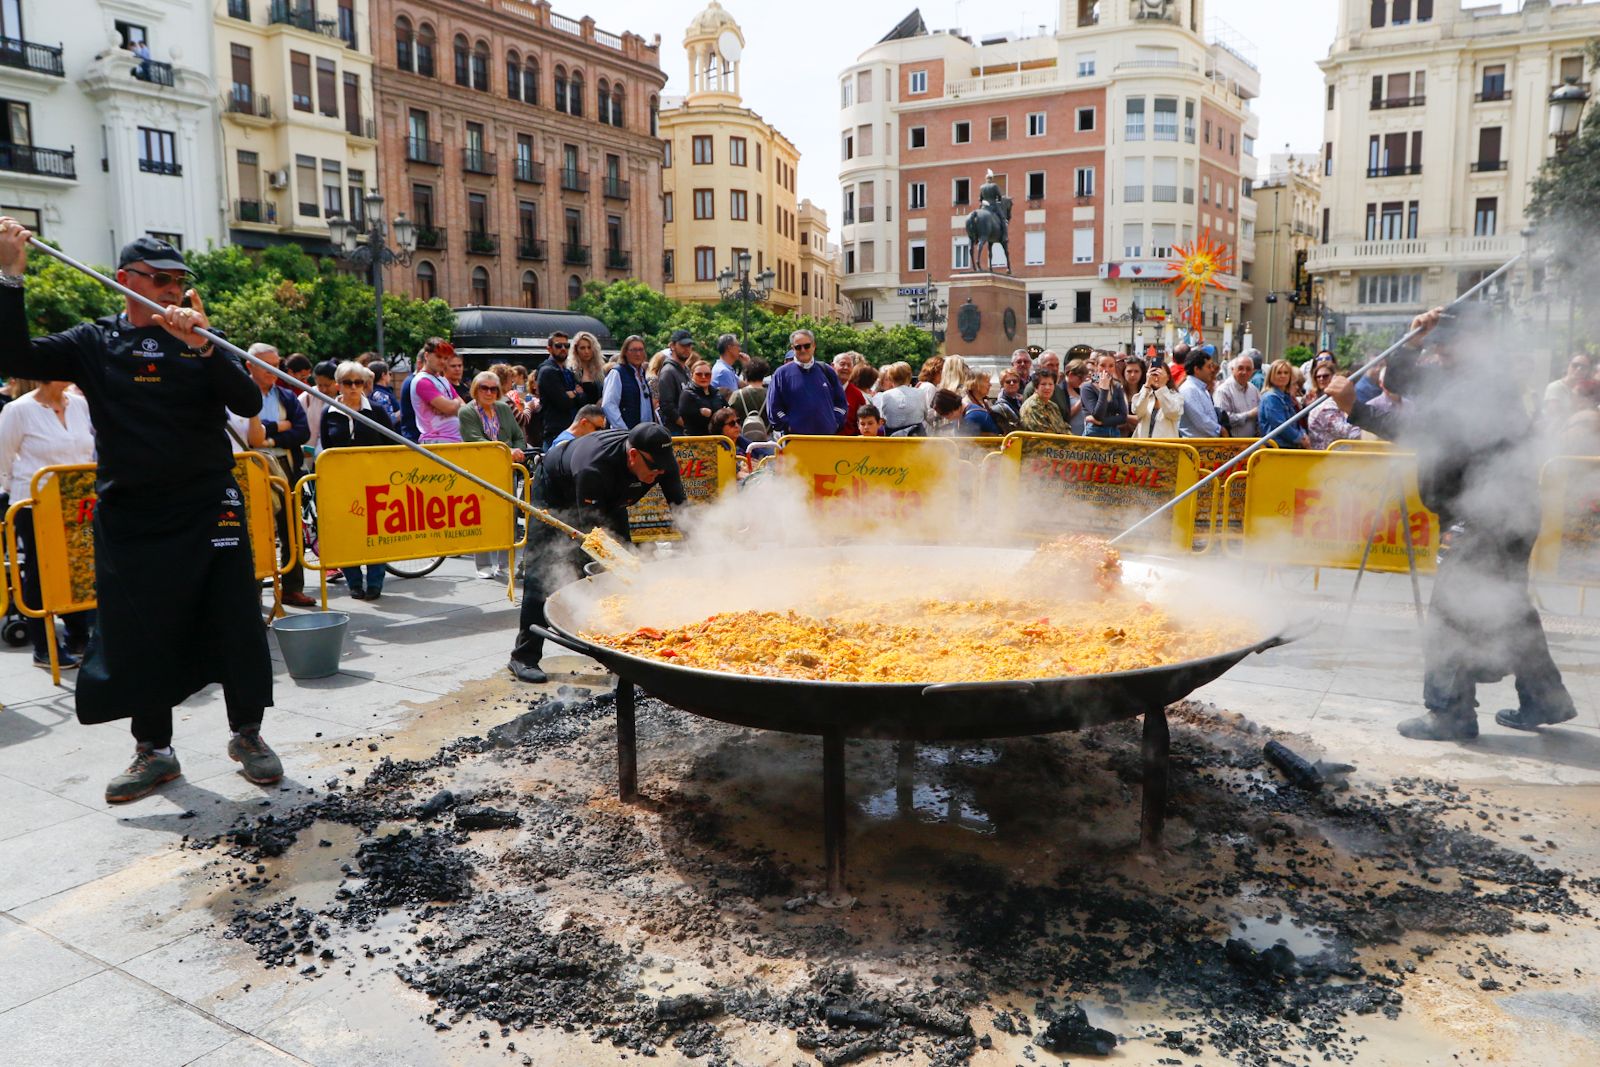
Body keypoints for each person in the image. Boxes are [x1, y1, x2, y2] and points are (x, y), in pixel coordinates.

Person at [0, 225, 282, 801]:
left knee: (234, 616)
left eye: (179, 280)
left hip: (209, 503)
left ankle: (248, 734)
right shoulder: (93, 341)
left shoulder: (201, 336)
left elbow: (249, 402)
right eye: (160, 278)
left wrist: (204, 344)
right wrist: (10, 275)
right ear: (126, 281)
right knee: (140, 628)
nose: (172, 289)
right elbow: (13, 354)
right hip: (132, 511)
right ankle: (154, 749)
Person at [1326, 306, 1577, 741]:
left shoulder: (1483, 385)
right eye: (1438, 340)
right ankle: (1545, 698)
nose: (1439, 348)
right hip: (1503, 514)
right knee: (1509, 607)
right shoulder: (1460, 373)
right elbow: (1400, 381)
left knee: (1450, 613)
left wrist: (1356, 409)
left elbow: (1426, 430)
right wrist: (1412, 338)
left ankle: (1449, 713)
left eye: (1448, 340)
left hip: (1487, 518)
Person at [508, 424, 686, 683]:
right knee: (544, 571)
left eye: (663, 467)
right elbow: (592, 533)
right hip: (556, 494)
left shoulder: (660, 462)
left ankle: (626, 652)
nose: (659, 473)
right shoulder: (594, 467)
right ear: (634, 455)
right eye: (654, 468)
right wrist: (612, 565)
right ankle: (523, 656)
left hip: (610, 499)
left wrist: (703, 553)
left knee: (630, 570)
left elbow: (681, 509)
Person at [0, 377, 95, 668]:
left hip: (76, 499)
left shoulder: (79, 404)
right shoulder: (18, 410)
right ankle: (44, 646)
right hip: (34, 502)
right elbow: (3, 460)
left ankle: (78, 637)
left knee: (78, 568)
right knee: (41, 571)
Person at [247, 344, 315, 608]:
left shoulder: (286, 395)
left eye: (276, 365)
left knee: (291, 528)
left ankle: (293, 587)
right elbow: (246, 434)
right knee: (256, 533)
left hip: (284, 463)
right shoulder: (241, 394)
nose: (272, 372)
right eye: (266, 366)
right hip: (250, 465)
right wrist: (276, 426)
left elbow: (301, 431)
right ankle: (252, 593)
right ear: (249, 366)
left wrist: (270, 436)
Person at [320, 362, 396, 600]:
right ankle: (354, 581)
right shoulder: (329, 412)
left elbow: (393, 445)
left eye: (358, 382)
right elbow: (327, 448)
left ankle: (375, 582)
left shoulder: (377, 411)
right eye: (347, 383)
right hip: (342, 485)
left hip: (374, 483)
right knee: (347, 533)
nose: (353, 387)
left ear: (364, 384)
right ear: (338, 385)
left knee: (375, 534)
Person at [459, 369, 528, 580]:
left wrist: (516, 450)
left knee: (508, 517)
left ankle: (503, 563)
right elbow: (474, 440)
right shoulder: (467, 412)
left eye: (493, 388)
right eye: (484, 388)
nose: (489, 392)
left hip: (507, 470)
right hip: (481, 470)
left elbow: (519, 436)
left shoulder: (503, 408)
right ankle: (482, 564)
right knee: (482, 516)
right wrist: (508, 450)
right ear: (475, 390)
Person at [765, 329, 846, 436]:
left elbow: (841, 403)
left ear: (814, 346)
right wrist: (788, 425)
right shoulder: (781, 374)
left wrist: (834, 422)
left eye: (807, 346)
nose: (803, 350)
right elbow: (773, 408)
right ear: (792, 348)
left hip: (826, 439)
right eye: (798, 347)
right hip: (794, 441)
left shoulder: (827, 371)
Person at [535, 332, 585, 450]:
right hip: (555, 432)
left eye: (566, 345)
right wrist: (576, 393)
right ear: (549, 349)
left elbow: (583, 399)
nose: (563, 349)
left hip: (572, 430)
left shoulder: (568, 371)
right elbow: (563, 402)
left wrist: (572, 394)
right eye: (558, 346)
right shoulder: (547, 370)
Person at [600, 334, 658, 431]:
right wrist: (623, 430)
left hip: (644, 432)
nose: (638, 354)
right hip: (625, 434)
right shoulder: (617, 373)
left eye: (641, 350)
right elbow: (608, 405)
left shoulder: (642, 373)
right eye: (634, 350)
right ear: (625, 352)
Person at [412, 338, 464, 444]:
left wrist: (452, 405)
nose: (442, 361)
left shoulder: (442, 379)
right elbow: (450, 408)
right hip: (437, 441)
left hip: (453, 439)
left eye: (445, 358)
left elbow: (464, 408)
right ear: (426, 356)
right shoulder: (422, 381)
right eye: (438, 356)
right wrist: (453, 404)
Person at [1306, 361, 1362, 449]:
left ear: (1334, 377)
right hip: (1328, 458)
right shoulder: (1325, 407)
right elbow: (1352, 434)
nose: (1321, 379)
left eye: (1325, 376)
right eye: (1318, 377)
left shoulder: (1333, 401)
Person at [1258, 359, 1310, 448]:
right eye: (1279, 373)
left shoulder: (1286, 397)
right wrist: (1300, 438)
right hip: (1276, 448)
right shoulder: (1271, 397)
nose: (1283, 376)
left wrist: (1303, 435)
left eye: (1286, 373)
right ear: (1271, 375)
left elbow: (1295, 421)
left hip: (1289, 446)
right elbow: (1280, 426)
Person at [1081, 352, 1129, 439]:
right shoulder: (1087, 387)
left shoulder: (1117, 386)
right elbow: (1098, 414)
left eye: (1111, 366)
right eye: (1103, 365)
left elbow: (1123, 417)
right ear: (1096, 366)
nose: (1106, 369)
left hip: (1114, 433)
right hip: (1094, 433)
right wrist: (1104, 389)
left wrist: (1102, 422)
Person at [1177, 349, 1223, 438]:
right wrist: (1220, 430)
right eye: (1209, 367)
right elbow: (1201, 420)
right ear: (1197, 369)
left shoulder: (1202, 389)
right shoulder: (1189, 389)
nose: (1212, 370)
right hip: (1195, 446)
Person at [657, 329, 694, 435]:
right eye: (683, 345)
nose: (687, 349)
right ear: (672, 346)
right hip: (675, 431)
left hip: (686, 431)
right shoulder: (668, 371)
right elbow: (667, 406)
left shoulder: (686, 370)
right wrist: (687, 425)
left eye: (689, 345)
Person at [874, 361, 927, 436]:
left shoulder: (885, 395)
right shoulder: (920, 393)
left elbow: (882, 418)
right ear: (909, 376)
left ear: (891, 378)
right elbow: (925, 415)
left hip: (893, 438)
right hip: (916, 437)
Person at [1132, 361, 1184, 438]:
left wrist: (1162, 388)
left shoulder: (1176, 397)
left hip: (1166, 446)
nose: (1157, 378)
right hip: (1143, 445)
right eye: (1154, 374)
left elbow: (1173, 413)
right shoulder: (1145, 394)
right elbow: (1138, 411)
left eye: (1160, 374)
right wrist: (1147, 385)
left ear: (1168, 377)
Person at [1214, 354, 1261, 438]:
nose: (1244, 372)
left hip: (1253, 443)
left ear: (1253, 371)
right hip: (1233, 444)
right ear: (1232, 370)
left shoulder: (1254, 389)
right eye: (1240, 368)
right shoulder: (1223, 390)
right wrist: (1248, 415)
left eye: (1248, 369)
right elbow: (1222, 420)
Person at [1542, 354, 1593, 424]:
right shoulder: (1555, 387)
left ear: (1587, 371)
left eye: (1583, 367)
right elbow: (1555, 417)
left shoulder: (1585, 390)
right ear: (1568, 366)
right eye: (1575, 365)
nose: (1579, 369)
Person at [678, 360, 722, 436]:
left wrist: (710, 414)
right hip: (696, 439)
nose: (703, 377)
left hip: (717, 438)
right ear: (692, 375)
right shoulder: (687, 394)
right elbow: (690, 418)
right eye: (699, 374)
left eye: (707, 374)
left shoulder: (717, 393)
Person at [301, 359, 338, 450]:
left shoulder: (346, 397)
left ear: (337, 381)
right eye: (320, 385)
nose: (324, 390)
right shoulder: (307, 397)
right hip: (311, 452)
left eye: (327, 385)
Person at [1020, 369, 1069, 435]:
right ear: (1036, 387)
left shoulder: (1053, 406)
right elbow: (1044, 434)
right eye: (1043, 384)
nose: (1047, 387)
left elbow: (1064, 428)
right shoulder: (1032, 406)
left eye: (1050, 384)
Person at [729, 357, 769, 431]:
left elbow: (729, 416)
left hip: (742, 437)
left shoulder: (737, 395)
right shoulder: (770, 395)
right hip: (766, 436)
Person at [567, 331, 605, 405]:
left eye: (589, 347)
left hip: (598, 413)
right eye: (582, 348)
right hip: (577, 414)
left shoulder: (600, 370)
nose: (586, 351)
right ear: (576, 350)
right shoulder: (570, 371)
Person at [836, 351, 868, 436]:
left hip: (848, 443)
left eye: (849, 365)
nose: (845, 368)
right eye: (842, 364)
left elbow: (863, 422)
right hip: (822, 441)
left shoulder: (857, 395)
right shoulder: (824, 389)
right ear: (833, 366)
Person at [1119, 357, 1147, 436]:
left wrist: (1123, 417)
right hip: (1121, 437)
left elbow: (1145, 419)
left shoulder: (1148, 392)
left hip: (1142, 437)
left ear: (1142, 373)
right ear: (1123, 372)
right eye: (1129, 371)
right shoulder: (1117, 391)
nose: (1132, 375)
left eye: (1136, 371)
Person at [1063, 359, 1089, 433]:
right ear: (1071, 375)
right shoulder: (1060, 390)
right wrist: (1082, 399)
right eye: (1080, 379)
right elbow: (1065, 416)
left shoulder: (1078, 389)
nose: (1082, 382)